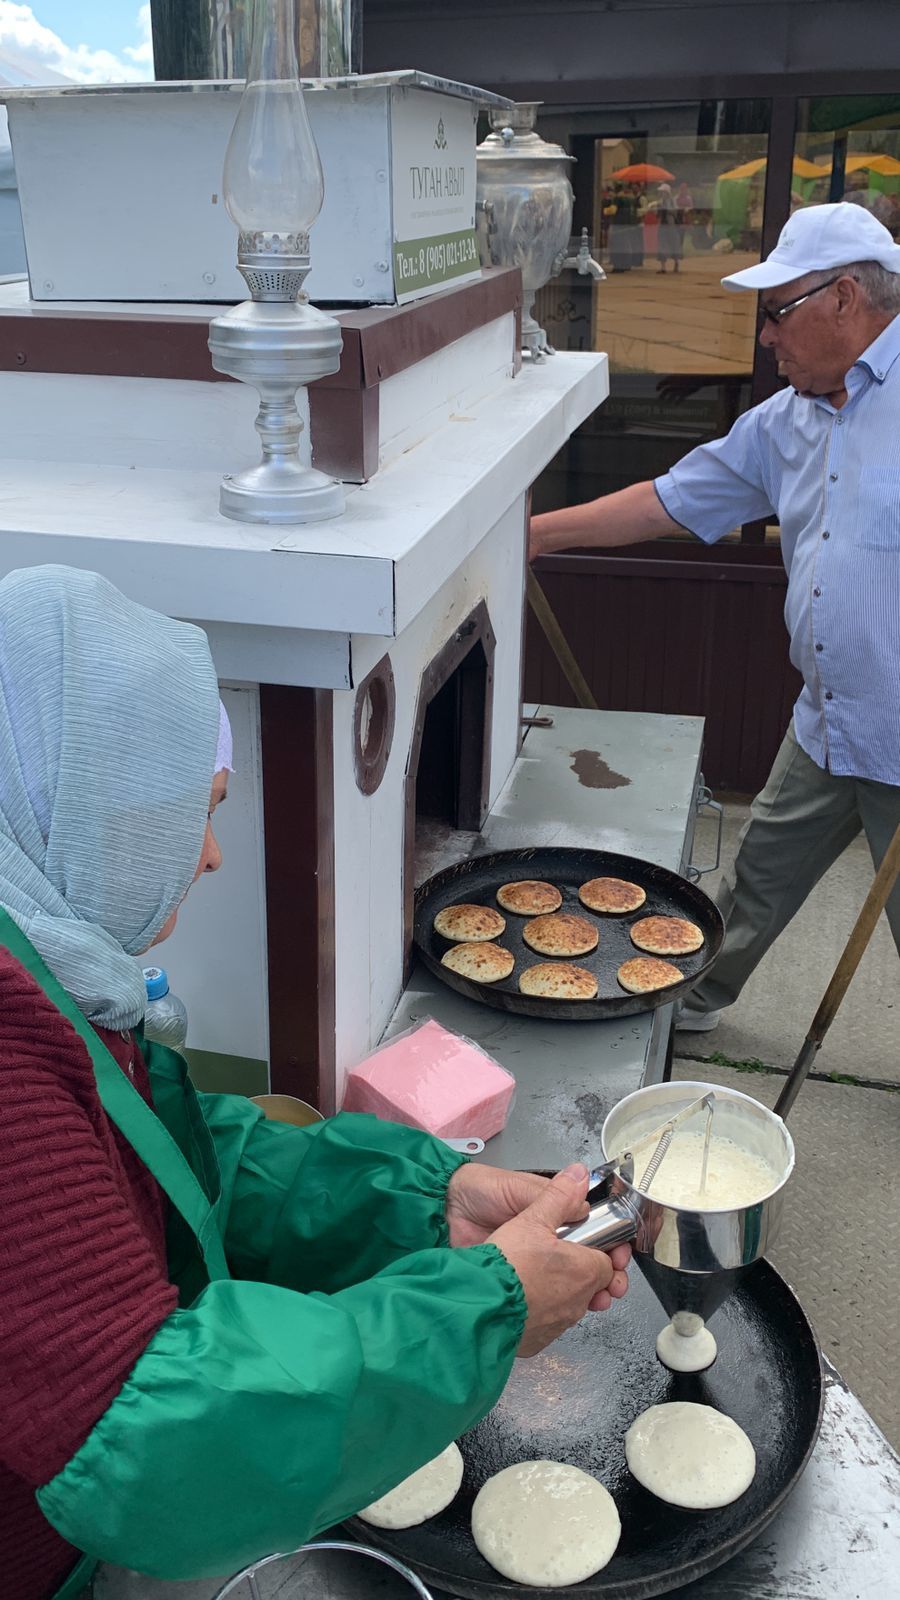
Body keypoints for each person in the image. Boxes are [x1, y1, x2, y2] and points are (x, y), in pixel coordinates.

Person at [0, 565, 630, 1599]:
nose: (209, 857)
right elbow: (148, 1437)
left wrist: (421, 1203)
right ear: (89, 803)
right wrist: (486, 1308)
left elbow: (161, 1150)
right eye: (194, 814)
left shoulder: (41, 958)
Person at [530, 202, 900, 1033]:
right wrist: (532, 536)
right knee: (758, 876)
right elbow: (667, 501)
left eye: (778, 314)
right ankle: (688, 1004)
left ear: (845, 299)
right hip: (828, 722)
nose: (767, 337)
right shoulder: (788, 420)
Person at [656, 183, 682, 273]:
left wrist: (666, 209)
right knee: (662, 245)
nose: (661, 193)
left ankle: (676, 263)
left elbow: (675, 212)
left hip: (671, 225)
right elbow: (658, 215)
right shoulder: (660, 201)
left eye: (663, 192)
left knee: (674, 244)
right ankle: (663, 267)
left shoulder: (672, 201)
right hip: (662, 225)